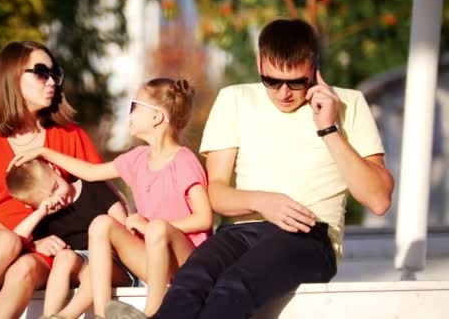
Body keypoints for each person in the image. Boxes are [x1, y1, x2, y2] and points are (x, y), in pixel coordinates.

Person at [106, 18, 395, 319]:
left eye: (297, 82)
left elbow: (378, 200)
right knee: (190, 282)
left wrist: (329, 130)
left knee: (233, 286)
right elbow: (216, 193)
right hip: (239, 232)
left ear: (314, 67)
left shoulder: (349, 103)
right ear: (259, 63)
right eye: (272, 81)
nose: (283, 92)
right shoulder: (234, 99)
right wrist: (262, 201)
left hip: (308, 234)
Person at [10, 78, 213, 318]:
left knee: (158, 228)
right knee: (101, 223)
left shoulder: (183, 161)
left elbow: (204, 219)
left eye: (134, 106)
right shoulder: (137, 158)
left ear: (156, 117)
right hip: (151, 261)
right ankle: (104, 312)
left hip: (186, 263)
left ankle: (153, 312)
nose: (129, 113)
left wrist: (149, 228)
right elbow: (89, 172)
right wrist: (43, 151)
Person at [0, 41, 107, 319]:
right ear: (11, 76)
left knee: (25, 269)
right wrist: (26, 242)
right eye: (41, 72)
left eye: (55, 73)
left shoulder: (69, 134)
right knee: (7, 242)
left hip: (48, 247)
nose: (51, 81)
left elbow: (103, 193)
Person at [5, 158, 134, 319]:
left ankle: (65, 316)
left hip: (114, 263)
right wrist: (40, 212)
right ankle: (49, 315)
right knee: (64, 257)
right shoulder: (47, 214)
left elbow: (122, 227)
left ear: (56, 170)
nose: (57, 198)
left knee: (92, 270)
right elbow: (14, 241)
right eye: (47, 200)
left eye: (56, 187)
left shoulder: (92, 187)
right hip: (79, 267)